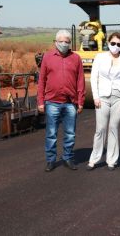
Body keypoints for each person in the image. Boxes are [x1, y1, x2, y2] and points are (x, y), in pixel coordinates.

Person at [37, 29, 85, 172]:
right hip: (52, 102)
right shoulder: (47, 57)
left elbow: (80, 80)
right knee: (51, 133)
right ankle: (51, 160)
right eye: (61, 41)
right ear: (55, 42)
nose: (64, 44)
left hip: (70, 103)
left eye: (67, 41)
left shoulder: (76, 58)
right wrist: (40, 101)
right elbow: (42, 80)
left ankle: (67, 157)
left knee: (70, 133)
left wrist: (81, 101)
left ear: (70, 43)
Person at [87, 32, 120, 171]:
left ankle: (111, 160)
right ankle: (94, 159)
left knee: (113, 128)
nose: (115, 46)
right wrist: (95, 97)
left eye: (119, 44)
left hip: (119, 97)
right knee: (100, 129)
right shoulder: (100, 57)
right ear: (108, 43)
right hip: (102, 97)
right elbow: (94, 78)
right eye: (113, 43)